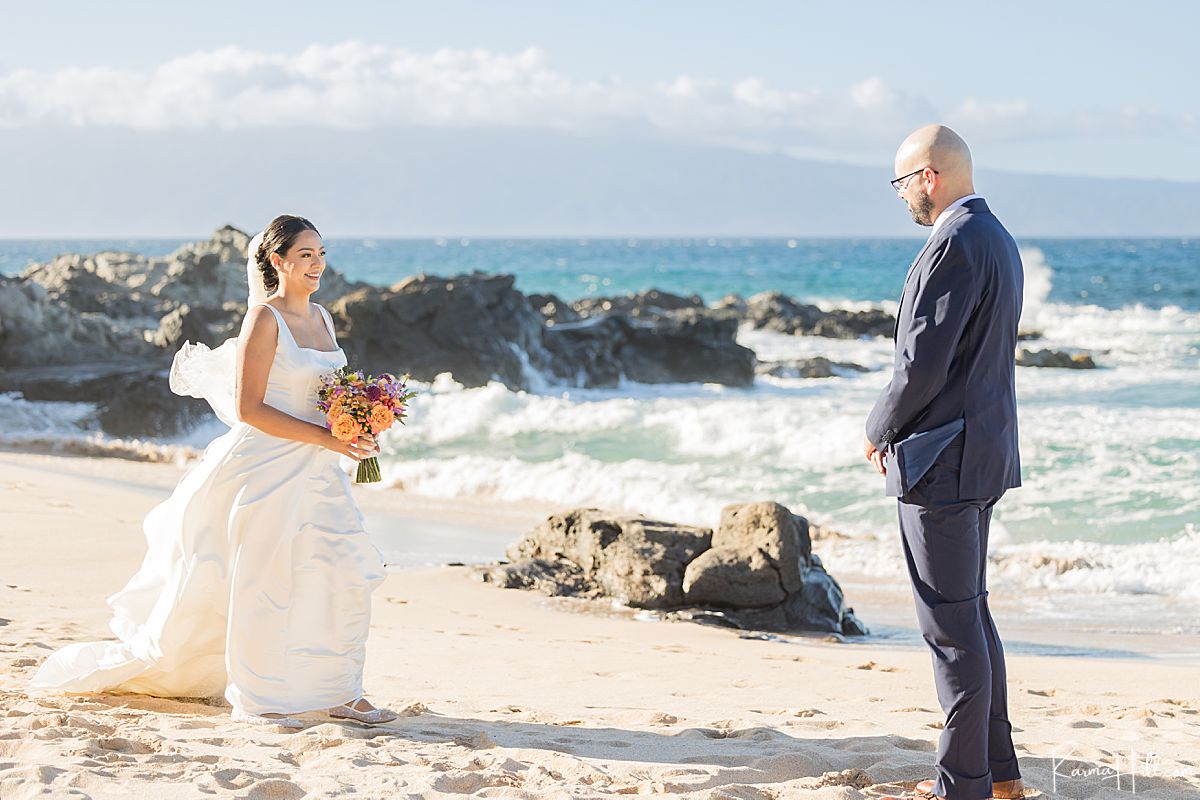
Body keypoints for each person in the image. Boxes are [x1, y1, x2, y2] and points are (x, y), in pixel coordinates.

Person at [30, 214, 398, 729]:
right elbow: (250, 408)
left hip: (317, 471)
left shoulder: (324, 318)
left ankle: (343, 690)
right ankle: (262, 694)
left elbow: (325, 398)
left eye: (321, 255)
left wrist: (358, 424)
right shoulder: (264, 320)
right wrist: (325, 437)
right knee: (265, 581)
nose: (317, 265)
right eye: (306, 255)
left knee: (340, 576)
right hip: (265, 467)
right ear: (278, 261)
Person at [865, 126, 1025, 800]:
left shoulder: (954, 244)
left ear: (929, 177)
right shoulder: (998, 239)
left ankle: (962, 785)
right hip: (983, 453)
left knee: (950, 628)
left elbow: (920, 364)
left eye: (902, 183)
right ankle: (1000, 777)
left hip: (942, 461)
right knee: (971, 616)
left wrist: (879, 428)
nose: (902, 196)